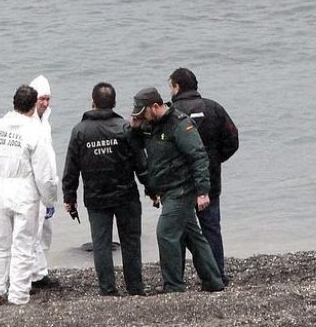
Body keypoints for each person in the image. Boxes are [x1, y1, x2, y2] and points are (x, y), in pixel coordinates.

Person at [131, 87, 224, 293]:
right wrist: (134, 127)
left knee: (165, 233)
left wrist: (202, 191)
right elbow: (135, 144)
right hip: (166, 190)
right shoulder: (151, 125)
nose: (141, 117)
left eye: (142, 113)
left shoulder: (180, 124)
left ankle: (173, 285)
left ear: (155, 107)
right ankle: (213, 281)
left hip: (181, 189)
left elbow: (199, 157)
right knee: (193, 237)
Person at [62, 82, 148, 296]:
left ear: (92, 103)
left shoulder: (80, 131)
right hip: (126, 195)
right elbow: (141, 162)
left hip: (96, 196)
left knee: (101, 244)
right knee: (130, 242)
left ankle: (108, 290)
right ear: (114, 103)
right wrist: (152, 188)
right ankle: (135, 288)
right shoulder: (124, 127)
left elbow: (71, 168)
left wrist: (69, 197)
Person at [0, 85, 57, 307]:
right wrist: (49, 199)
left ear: (13, 103)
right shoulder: (34, 132)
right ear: (33, 106)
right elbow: (44, 173)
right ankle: (19, 295)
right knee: (23, 245)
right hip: (24, 191)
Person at [168, 68, 239, 286]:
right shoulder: (214, 108)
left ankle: (176, 279)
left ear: (177, 87)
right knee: (211, 229)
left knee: (177, 231)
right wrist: (215, 160)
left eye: (170, 86)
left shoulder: (171, 113)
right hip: (210, 181)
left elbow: (161, 149)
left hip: (178, 183)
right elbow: (232, 139)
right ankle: (216, 274)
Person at [28, 75, 60, 289]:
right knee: (32, 232)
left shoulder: (45, 122)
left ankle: (41, 270)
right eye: (42, 99)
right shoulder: (26, 124)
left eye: (48, 99)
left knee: (44, 232)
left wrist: (51, 193)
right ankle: (35, 275)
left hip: (46, 185)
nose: (45, 103)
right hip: (32, 187)